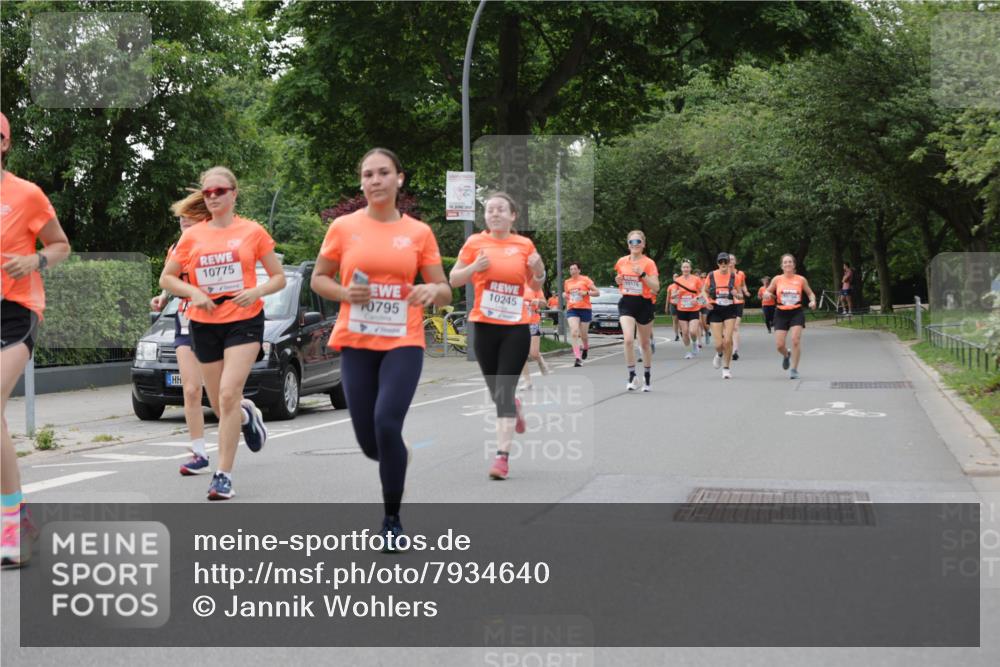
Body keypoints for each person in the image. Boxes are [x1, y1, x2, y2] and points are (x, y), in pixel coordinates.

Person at [311, 148, 450, 546]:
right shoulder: (343, 228)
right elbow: (319, 278)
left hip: (403, 340)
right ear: (362, 182)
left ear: (399, 179)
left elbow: (443, 289)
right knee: (372, 442)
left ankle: (392, 520)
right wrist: (344, 292)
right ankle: (395, 453)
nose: (375, 180)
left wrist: (431, 291)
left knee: (387, 422)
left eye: (383, 172)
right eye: (368, 174)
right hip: (357, 340)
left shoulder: (418, 233)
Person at [161, 166, 286, 500]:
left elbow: (278, 277)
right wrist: (194, 293)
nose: (213, 197)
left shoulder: (252, 232)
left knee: (229, 394)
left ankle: (223, 476)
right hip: (204, 323)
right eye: (208, 193)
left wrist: (256, 291)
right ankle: (247, 415)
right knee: (219, 404)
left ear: (234, 194)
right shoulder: (193, 236)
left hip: (244, 319)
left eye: (220, 191)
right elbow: (167, 278)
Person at [1, 112, 71, 567]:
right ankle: (19, 516)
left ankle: (12, 526)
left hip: (14, 312)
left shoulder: (26, 194)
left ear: (4, 143)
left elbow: (60, 244)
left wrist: (35, 262)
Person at [450, 192, 545, 480]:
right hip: (484, 326)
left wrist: (540, 271)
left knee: (503, 390)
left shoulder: (524, 245)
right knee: (497, 392)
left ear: (513, 216)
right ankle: (514, 405)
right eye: (490, 209)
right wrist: (473, 268)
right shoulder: (475, 243)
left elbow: (535, 285)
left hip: (515, 328)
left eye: (501, 209)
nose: (494, 213)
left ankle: (502, 457)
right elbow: (454, 279)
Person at [152, 212, 211, 475]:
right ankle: (199, 453)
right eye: (181, 217)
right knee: (191, 389)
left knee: (222, 392)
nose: (184, 220)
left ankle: (245, 413)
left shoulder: (211, 244)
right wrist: (163, 297)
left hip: (213, 321)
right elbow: (172, 278)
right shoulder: (175, 248)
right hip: (185, 322)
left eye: (190, 216)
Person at [615, 231, 659, 392]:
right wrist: (618, 280)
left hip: (644, 304)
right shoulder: (621, 261)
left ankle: (647, 377)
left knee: (644, 344)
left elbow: (656, 287)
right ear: (628, 244)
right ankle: (632, 375)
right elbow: (620, 279)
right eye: (632, 242)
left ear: (643, 244)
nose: (635, 244)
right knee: (628, 339)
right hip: (627, 302)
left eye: (638, 241)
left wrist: (643, 274)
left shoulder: (649, 263)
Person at [763, 254, 817, 379]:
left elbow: (810, 293)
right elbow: (768, 291)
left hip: (796, 312)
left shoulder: (801, 279)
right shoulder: (777, 279)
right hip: (781, 313)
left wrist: (813, 301)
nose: (788, 264)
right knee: (779, 345)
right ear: (782, 266)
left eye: (790, 262)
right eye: (785, 262)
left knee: (795, 340)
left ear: (794, 265)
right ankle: (786, 354)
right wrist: (766, 294)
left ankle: (794, 369)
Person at [701, 253, 739, 379]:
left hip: (729, 309)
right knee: (718, 344)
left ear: (729, 263)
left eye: (725, 262)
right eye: (720, 262)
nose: (723, 264)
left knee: (728, 341)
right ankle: (719, 354)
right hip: (715, 309)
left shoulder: (734, 276)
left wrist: (736, 294)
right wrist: (706, 301)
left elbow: (740, 295)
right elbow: (703, 291)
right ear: (717, 263)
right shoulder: (711, 275)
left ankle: (726, 369)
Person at [562, 262, 599, 367]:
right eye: (571, 269)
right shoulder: (567, 282)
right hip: (572, 309)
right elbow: (567, 294)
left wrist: (586, 293)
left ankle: (585, 347)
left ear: (579, 270)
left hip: (585, 309)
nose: (573, 271)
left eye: (575, 269)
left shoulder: (585, 280)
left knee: (584, 335)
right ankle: (577, 358)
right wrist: (564, 295)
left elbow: (597, 292)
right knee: (574, 332)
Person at [520, 285, 550, 389]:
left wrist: (537, 301)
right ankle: (527, 381)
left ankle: (540, 360)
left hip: (533, 322)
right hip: (518, 323)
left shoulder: (535, 286)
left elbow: (544, 303)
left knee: (533, 353)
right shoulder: (514, 284)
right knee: (521, 353)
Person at [673, 261, 703, 359]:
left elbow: (702, 293)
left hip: (694, 308)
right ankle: (688, 352)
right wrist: (676, 294)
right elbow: (673, 295)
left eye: (687, 267)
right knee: (685, 332)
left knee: (693, 331)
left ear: (690, 269)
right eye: (684, 267)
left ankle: (694, 343)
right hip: (682, 309)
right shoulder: (677, 280)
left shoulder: (696, 279)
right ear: (681, 269)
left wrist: (696, 299)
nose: (685, 269)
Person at [728, 254, 750, 361]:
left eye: (732, 259)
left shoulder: (740, 273)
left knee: (735, 327)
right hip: (727, 302)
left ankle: (735, 351)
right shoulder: (723, 273)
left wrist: (745, 291)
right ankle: (729, 345)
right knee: (728, 328)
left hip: (739, 301)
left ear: (735, 261)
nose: (730, 261)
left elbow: (743, 284)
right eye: (728, 259)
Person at [667, 273, 681, 341]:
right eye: (675, 276)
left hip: (680, 305)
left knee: (681, 320)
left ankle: (681, 331)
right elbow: (668, 297)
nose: (676, 278)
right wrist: (666, 306)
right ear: (673, 278)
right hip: (673, 304)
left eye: (677, 276)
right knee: (675, 320)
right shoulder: (670, 286)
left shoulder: (682, 286)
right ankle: (676, 335)